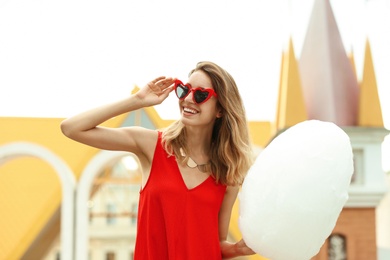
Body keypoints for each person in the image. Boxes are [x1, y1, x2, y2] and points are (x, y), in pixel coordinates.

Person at [61, 61, 255, 259]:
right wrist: (137, 100)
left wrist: (236, 249)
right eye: (183, 89)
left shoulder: (228, 172)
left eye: (200, 94)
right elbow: (71, 128)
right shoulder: (152, 145)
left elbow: (217, 242)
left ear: (220, 110)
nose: (188, 99)